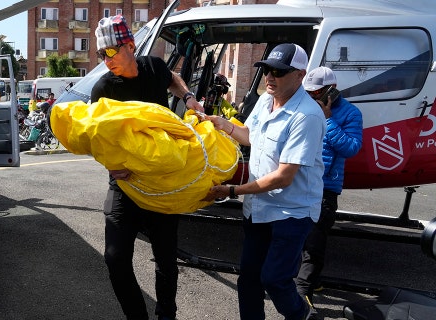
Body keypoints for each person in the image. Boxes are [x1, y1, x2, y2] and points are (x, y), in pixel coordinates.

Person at [89, 14, 203, 320]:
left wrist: (189, 97)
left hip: (162, 182)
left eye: (110, 52)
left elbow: (173, 80)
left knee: (166, 258)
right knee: (115, 258)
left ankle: (166, 314)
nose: (105, 59)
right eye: (101, 54)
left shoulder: (153, 67)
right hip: (125, 184)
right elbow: (96, 138)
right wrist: (111, 166)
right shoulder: (103, 89)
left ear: (129, 46)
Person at [201, 43, 326, 319]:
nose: (270, 76)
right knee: (248, 280)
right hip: (259, 209)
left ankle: (303, 315)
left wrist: (232, 190)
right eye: (267, 69)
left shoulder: (307, 116)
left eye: (279, 72)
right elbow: (250, 136)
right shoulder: (265, 100)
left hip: (291, 212)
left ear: (300, 75)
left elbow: (284, 176)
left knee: (274, 279)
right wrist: (224, 125)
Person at [295, 66, 363, 317]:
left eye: (316, 93)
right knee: (299, 235)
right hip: (300, 180)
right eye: (309, 92)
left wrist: (329, 120)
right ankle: (312, 280)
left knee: (314, 241)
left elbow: (352, 147)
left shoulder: (350, 113)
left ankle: (303, 295)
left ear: (331, 91)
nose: (311, 97)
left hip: (325, 187)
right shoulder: (305, 105)